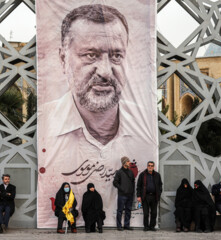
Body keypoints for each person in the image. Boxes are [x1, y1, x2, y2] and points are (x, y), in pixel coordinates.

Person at [37, 4, 156, 226]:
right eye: (91, 55)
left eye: (116, 55)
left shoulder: (145, 126)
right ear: (63, 59)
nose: (105, 71)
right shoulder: (45, 124)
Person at [136, 161, 163, 231]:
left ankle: (152, 226)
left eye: (151, 166)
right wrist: (138, 196)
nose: (150, 167)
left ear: (153, 167)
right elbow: (138, 186)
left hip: (154, 196)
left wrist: (159, 192)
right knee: (146, 213)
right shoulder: (142, 175)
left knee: (154, 213)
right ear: (147, 166)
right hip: (145, 196)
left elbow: (160, 185)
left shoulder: (157, 175)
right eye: (149, 165)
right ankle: (146, 226)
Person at [113, 156, 135, 231]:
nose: (129, 163)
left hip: (130, 195)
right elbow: (115, 183)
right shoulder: (119, 172)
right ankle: (119, 226)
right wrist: (122, 189)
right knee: (120, 210)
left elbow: (133, 182)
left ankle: (126, 225)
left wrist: (132, 191)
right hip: (122, 195)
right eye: (128, 161)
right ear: (124, 162)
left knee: (128, 210)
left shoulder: (130, 172)